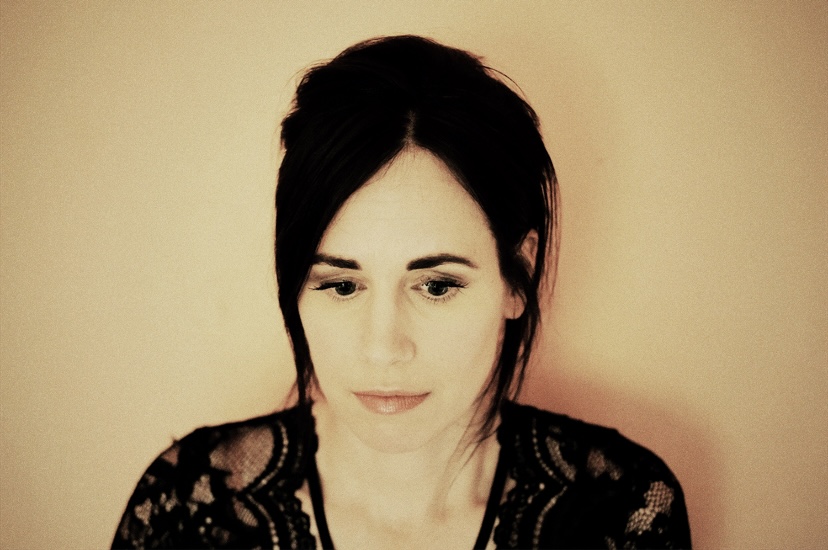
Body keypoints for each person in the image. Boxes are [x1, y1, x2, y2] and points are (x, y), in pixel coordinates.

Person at [112, 35, 691, 549]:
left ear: (517, 275)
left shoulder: (622, 511)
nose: (383, 348)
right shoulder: (187, 508)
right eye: (342, 285)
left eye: (435, 286)